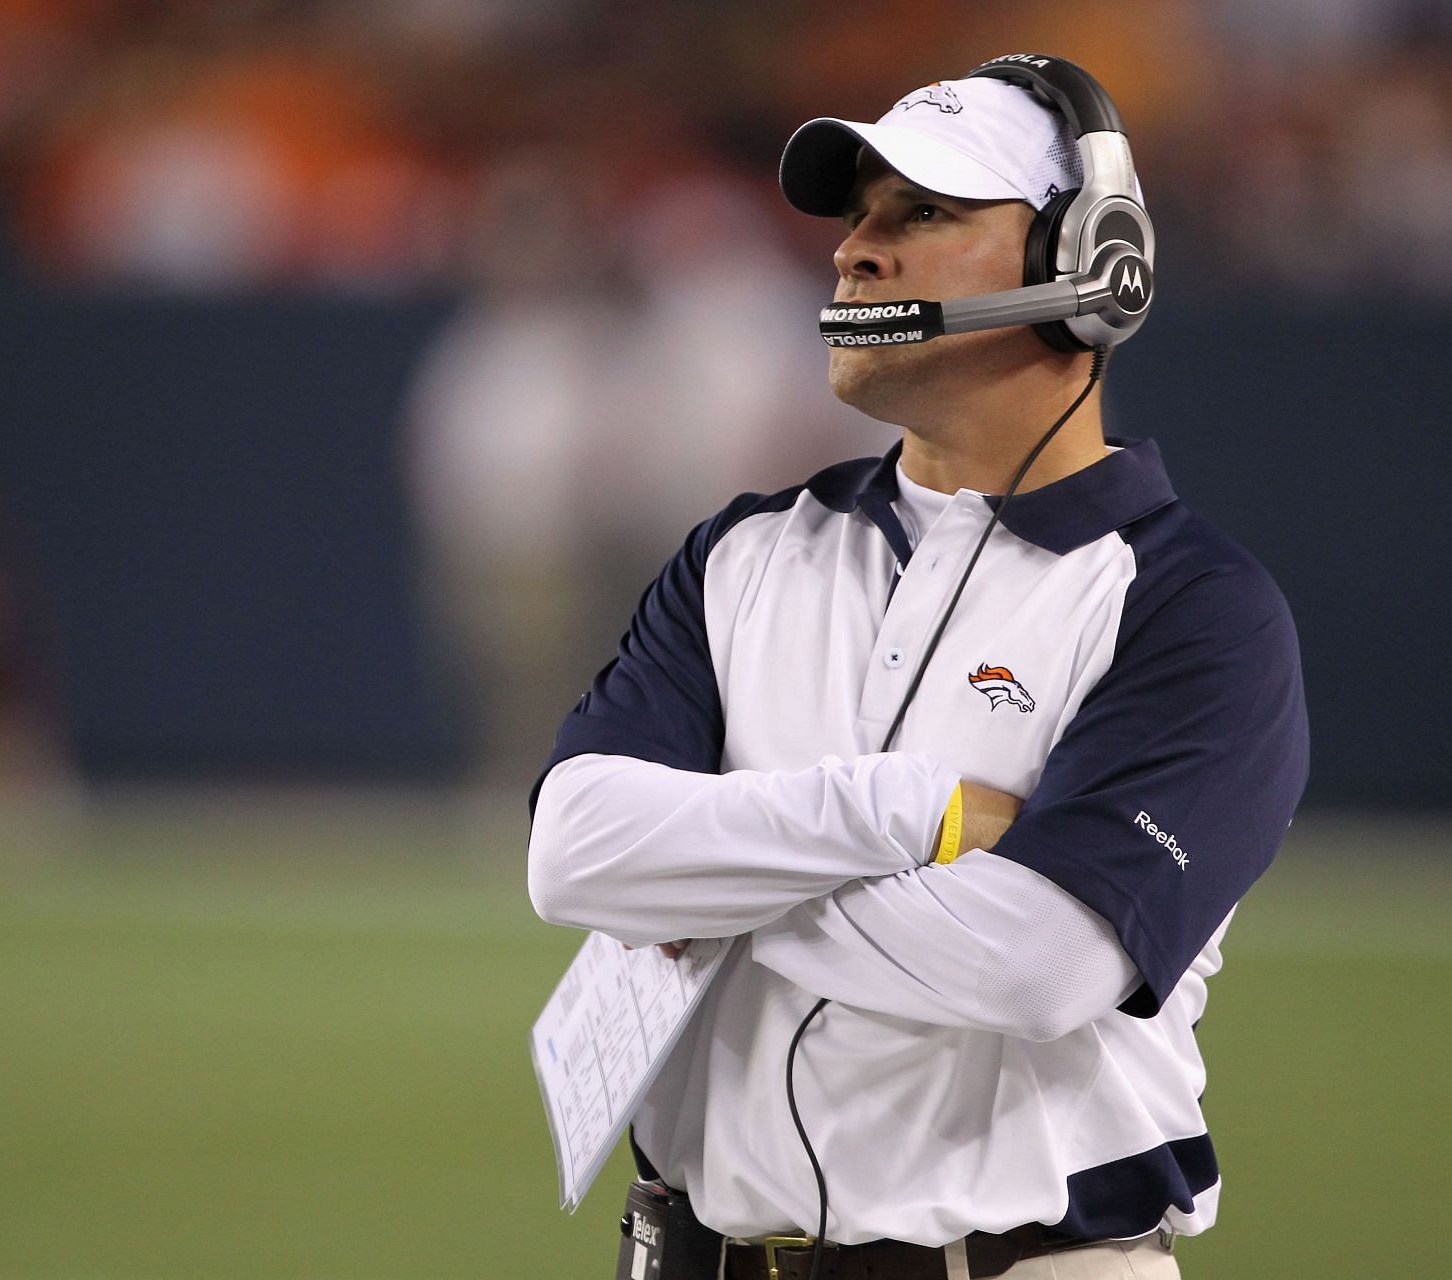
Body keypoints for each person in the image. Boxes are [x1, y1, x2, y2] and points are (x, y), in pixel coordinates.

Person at [526, 58, 1309, 1280]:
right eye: (857, 217)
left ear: (1092, 259)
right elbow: (573, 849)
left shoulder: (1195, 609)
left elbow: (1034, 962)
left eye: (925, 214)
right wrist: (916, 813)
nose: (856, 252)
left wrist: (705, 877)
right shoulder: (743, 549)